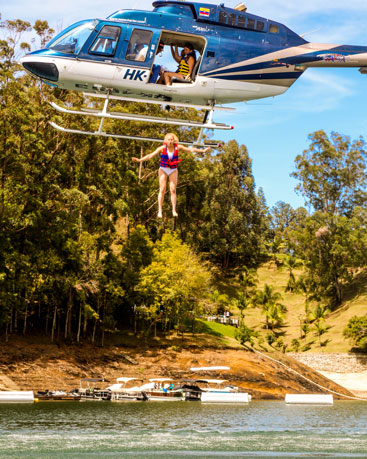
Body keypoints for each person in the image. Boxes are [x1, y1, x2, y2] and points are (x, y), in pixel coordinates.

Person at [132, 133, 211, 218]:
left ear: (173, 141)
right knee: (162, 189)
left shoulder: (178, 147)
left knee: (173, 190)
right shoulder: (162, 148)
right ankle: (160, 211)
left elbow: (191, 149)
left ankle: (174, 210)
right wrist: (140, 160)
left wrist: (203, 151)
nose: (170, 141)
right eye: (168, 140)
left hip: (173, 169)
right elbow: (150, 155)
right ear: (165, 141)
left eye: (171, 140)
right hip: (163, 169)